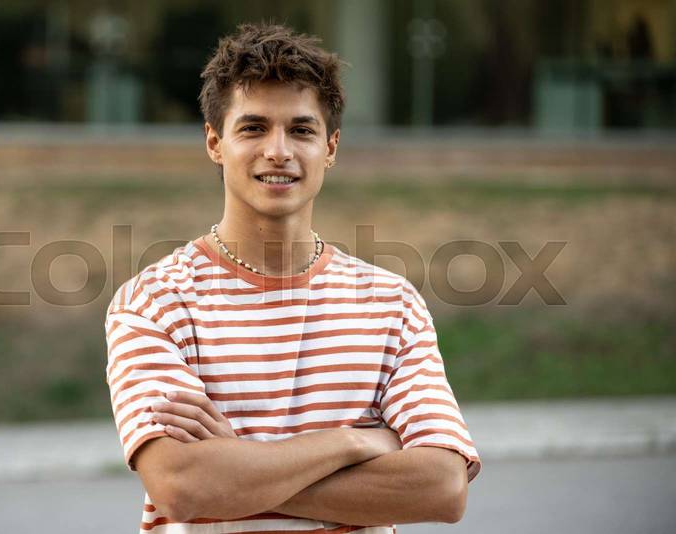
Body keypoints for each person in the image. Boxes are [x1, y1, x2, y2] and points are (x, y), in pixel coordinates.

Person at [105, 22, 481, 533]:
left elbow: (442, 487)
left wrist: (240, 468)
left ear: (331, 147)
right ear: (215, 143)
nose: (278, 150)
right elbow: (184, 488)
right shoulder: (154, 303)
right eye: (254, 127)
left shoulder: (392, 305)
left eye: (301, 130)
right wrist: (351, 442)